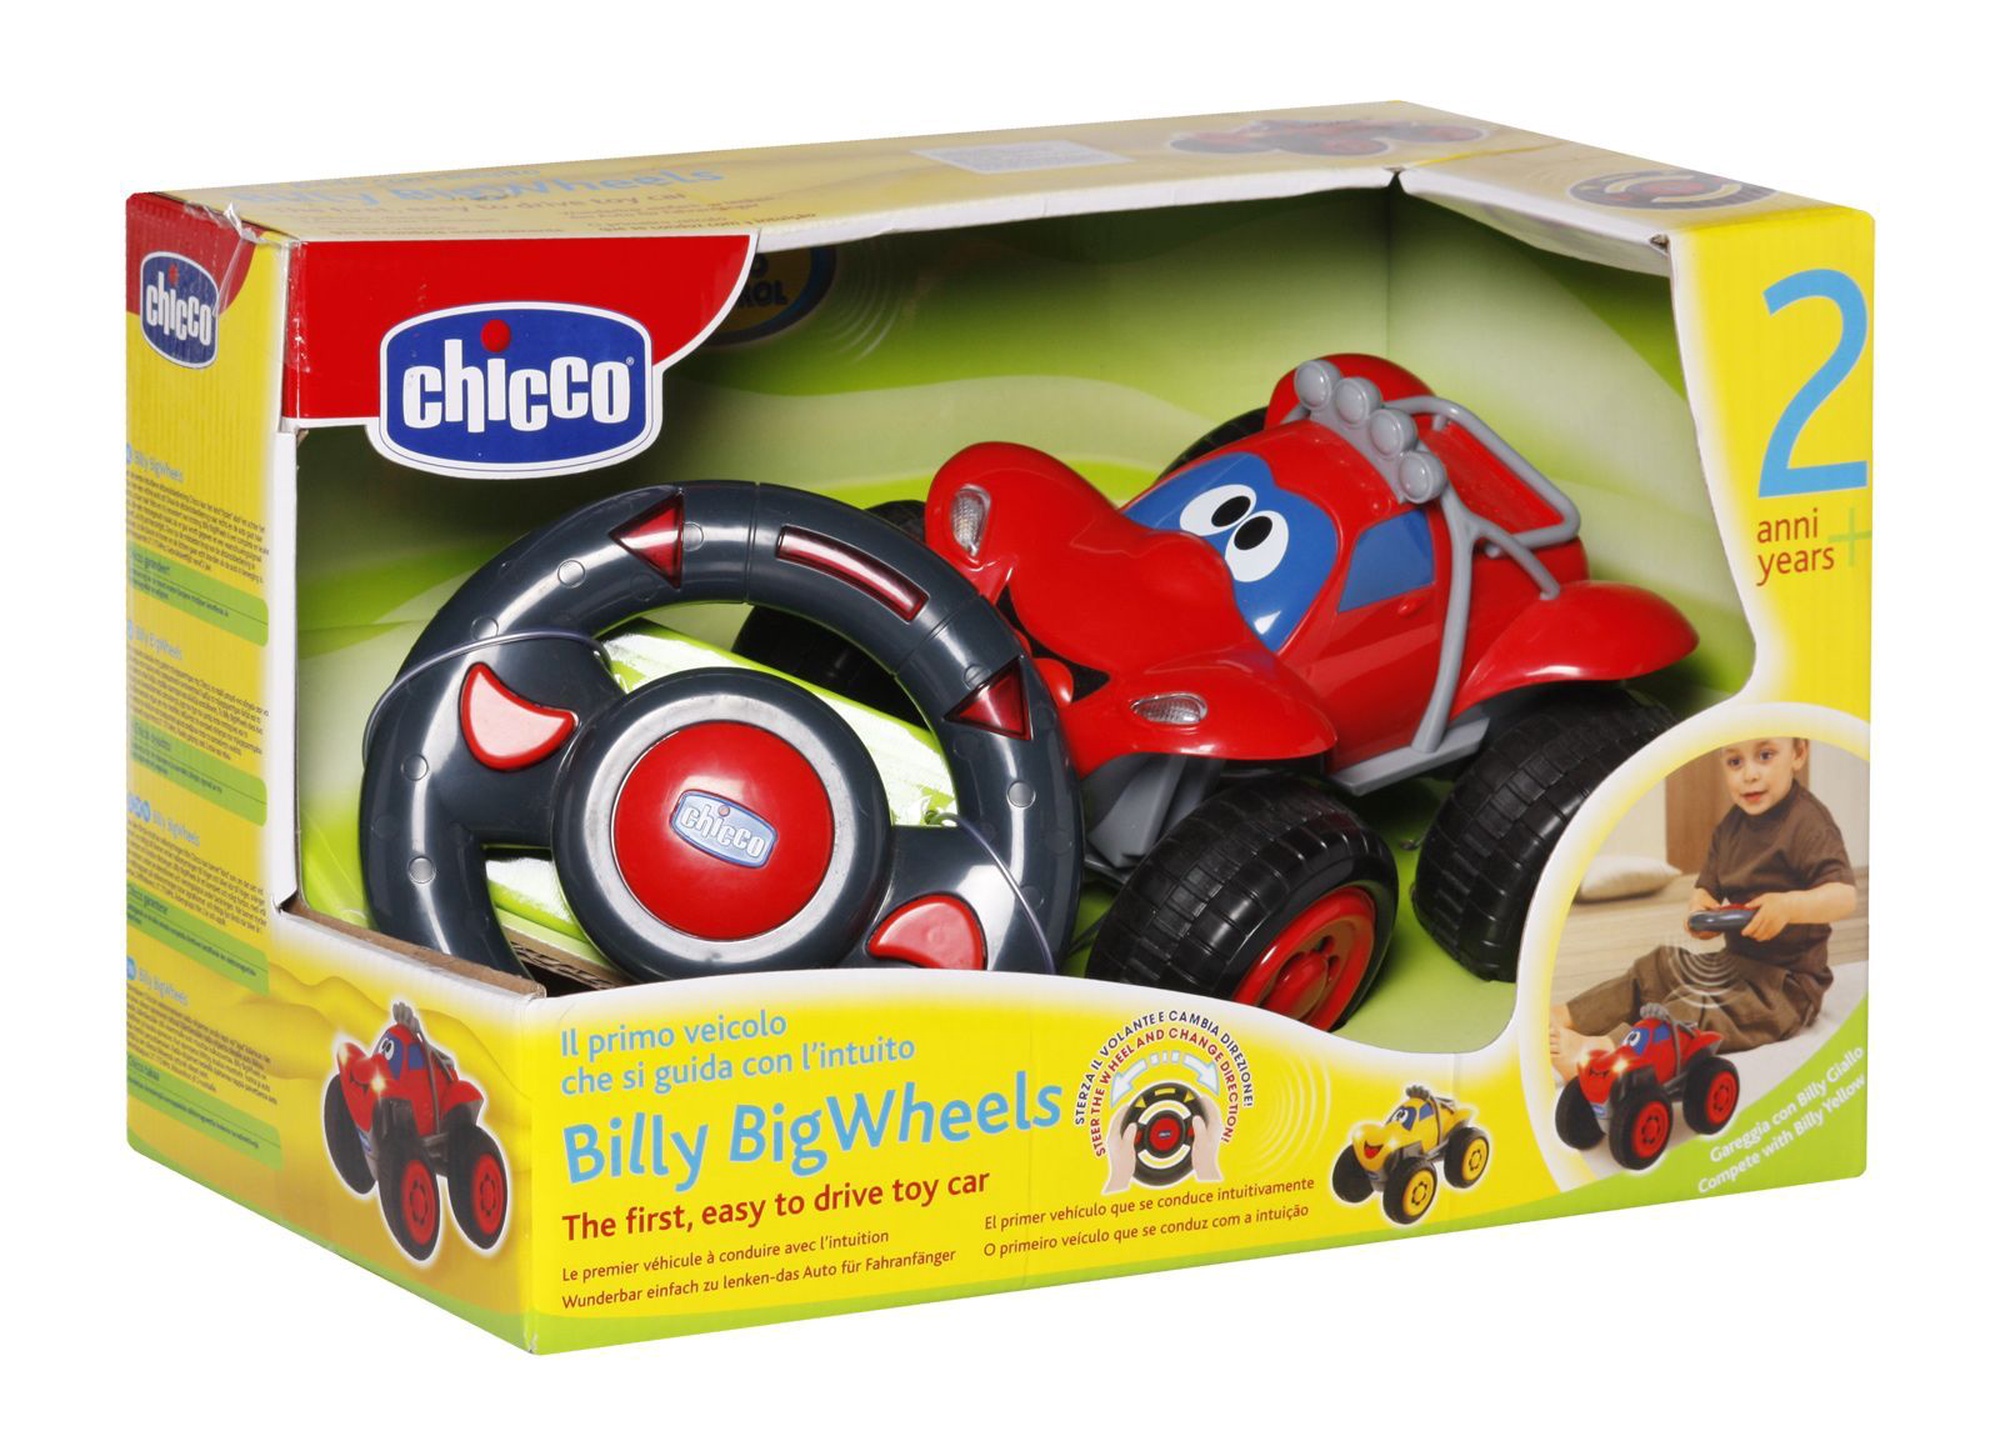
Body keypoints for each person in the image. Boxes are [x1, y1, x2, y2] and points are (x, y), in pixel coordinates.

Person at [1551, 737, 1856, 1079]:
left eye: (1765, 755)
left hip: (1785, 987)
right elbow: (1706, 889)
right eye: (1735, 762)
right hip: (1732, 964)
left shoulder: (1809, 823)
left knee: (1694, 1006)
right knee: (1658, 967)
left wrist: (1790, 906)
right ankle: (1566, 1017)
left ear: (1798, 754)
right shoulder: (1729, 828)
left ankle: (1608, 1052)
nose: (1749, 775)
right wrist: (1700, 910)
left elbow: (1843, 896)